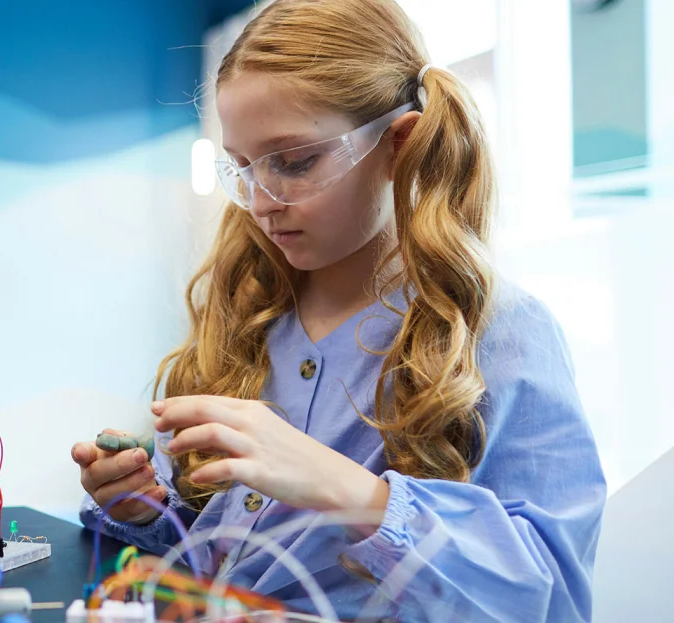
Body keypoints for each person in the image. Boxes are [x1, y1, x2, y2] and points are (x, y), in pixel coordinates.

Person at [71, 1, 605, 620]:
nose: (262, 203)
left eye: (295, 162)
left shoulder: (497, 332)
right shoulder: (248, 319)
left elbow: (550, 596)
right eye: (242, 168)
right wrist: (146, 507)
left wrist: (352, 492)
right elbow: (216, 552)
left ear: (399, 144)